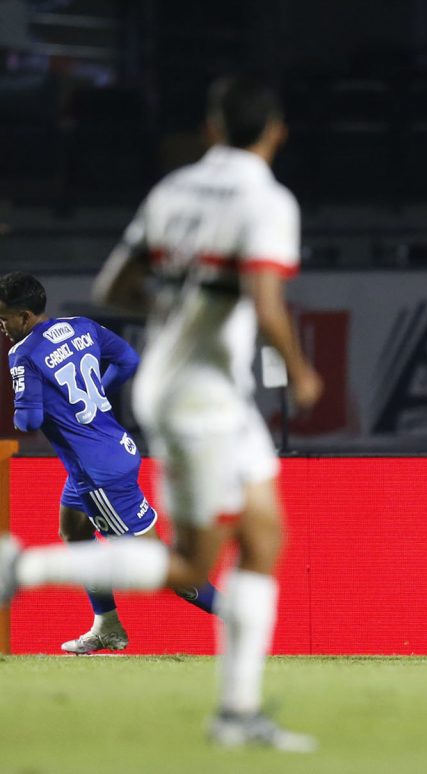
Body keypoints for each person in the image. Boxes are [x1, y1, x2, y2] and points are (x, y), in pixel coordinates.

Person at [1, 76, 322, 752]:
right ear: (276, 134)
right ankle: (22, 572)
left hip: (182, 388)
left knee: (264, 536)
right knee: (188, 565)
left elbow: (114, 285)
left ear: (208, 129)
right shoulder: (266, 200)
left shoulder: (172, 191)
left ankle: (236, 710)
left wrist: (181, 307)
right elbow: (265, 305)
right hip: (203, 392)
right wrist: (298, 369)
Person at [0, 272, 219, 654]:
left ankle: (238, 615)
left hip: (97, 473)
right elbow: (128, 360)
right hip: (111, 446)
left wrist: (25, 410)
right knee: (74, 529)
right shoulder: (81, 326)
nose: (0, 325)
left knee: (166, 568)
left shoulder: (22, 354)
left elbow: (30, 422)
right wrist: (93, 393)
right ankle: (107, 625)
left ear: (23, 315)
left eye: (3, 316)